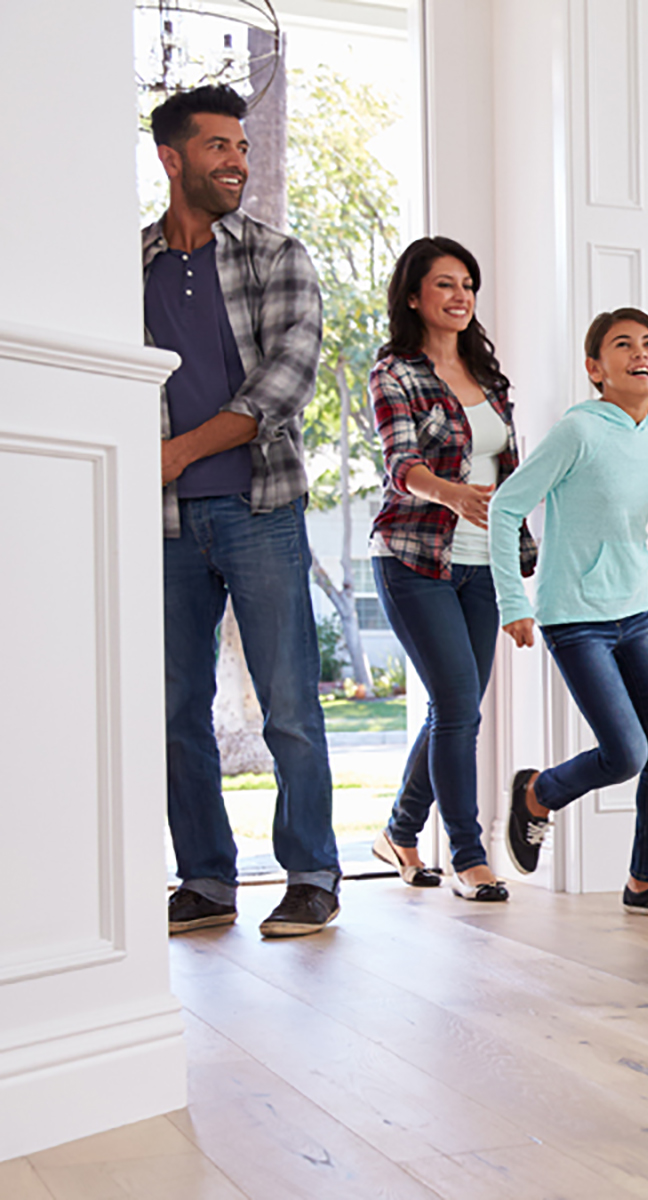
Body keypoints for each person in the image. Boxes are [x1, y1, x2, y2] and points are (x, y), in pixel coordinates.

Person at [144, 84, 341, 937]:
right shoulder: (130, 264)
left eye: (243, 147)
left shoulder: (276, 255)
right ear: (171, 158)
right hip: (162, 527)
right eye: (219, 146)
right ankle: (205, 880)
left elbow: (285, 384)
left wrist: (177, 454)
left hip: (260, 508)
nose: (237, 161)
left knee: (289, 701)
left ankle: (311, 873)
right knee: (175, 706)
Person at [490, 308, 648, 915]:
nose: (639, 352)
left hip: (635, 613)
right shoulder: (577, 432)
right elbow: (504, 507)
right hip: (574, 616)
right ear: (596, 368)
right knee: (627, 753)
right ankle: (537, 793)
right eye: (622, 345)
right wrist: (512, 602)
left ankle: (645, 883)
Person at [367, 237, 538, 902]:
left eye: (467, 283)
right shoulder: (396, 372)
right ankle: (470, 856)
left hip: (483, 568)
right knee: (459, 709)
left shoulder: (489, 380)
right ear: (414, 296)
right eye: (444, 284)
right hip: (416, 559)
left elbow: (511, 474)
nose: (460, 295)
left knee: (455, 708)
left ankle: (400, 833)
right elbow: (400, 464)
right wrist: (452, 493)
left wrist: (518, 557)